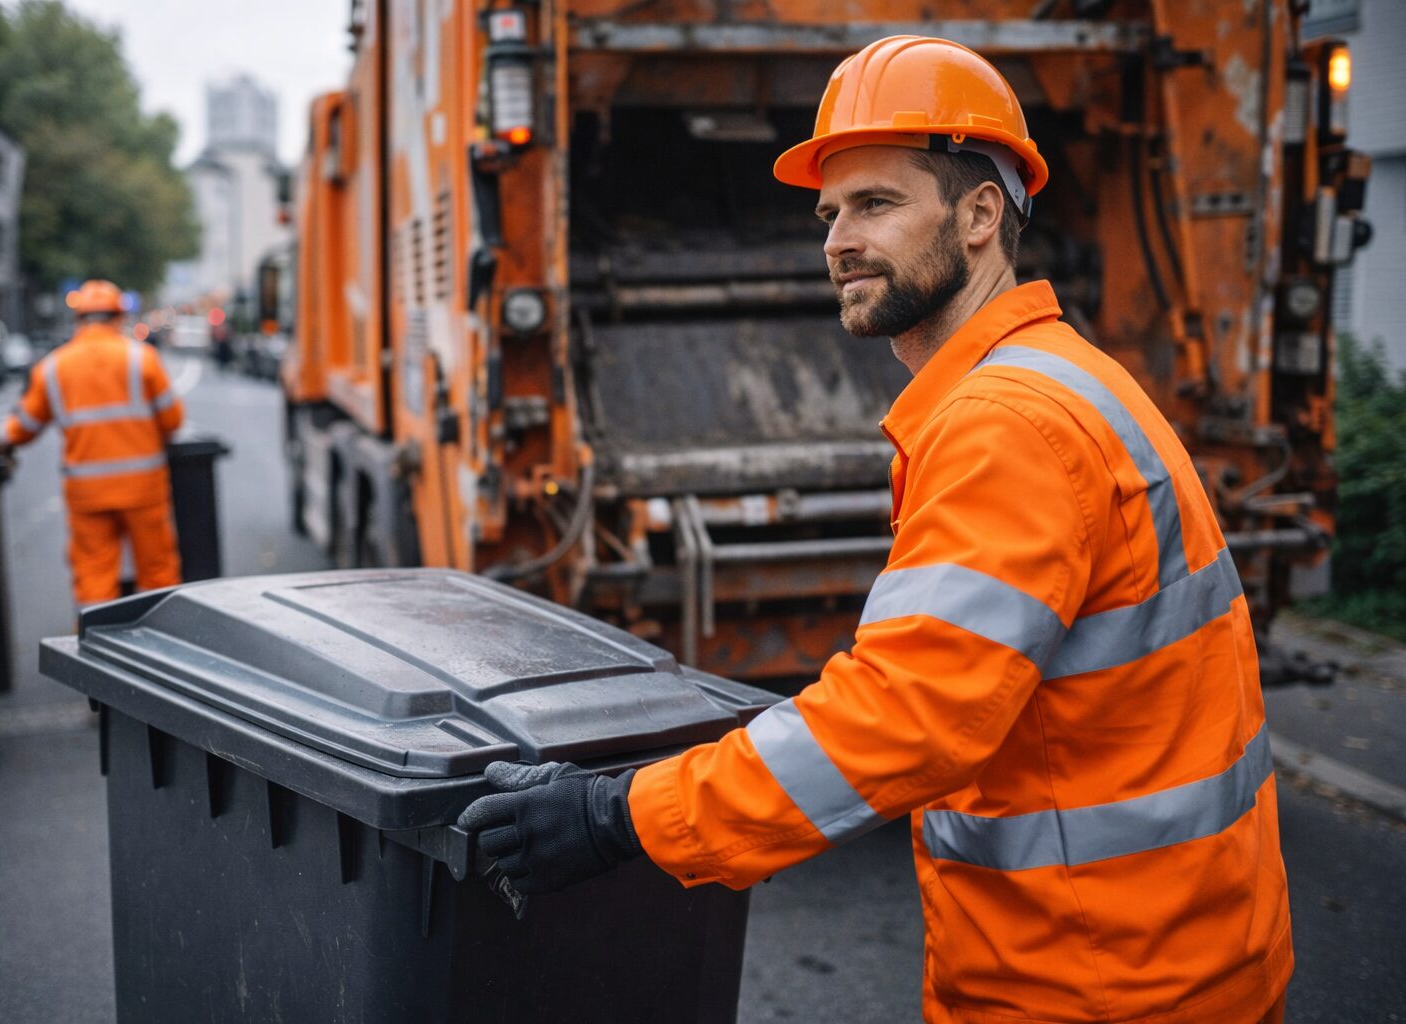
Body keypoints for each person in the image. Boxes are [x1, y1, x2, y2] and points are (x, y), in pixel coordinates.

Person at [459, 36, 1291, 1024]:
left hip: (1098, 985)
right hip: (1167, 958)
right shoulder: (1071, 378)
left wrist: (616, 816)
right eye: (828, 210)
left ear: (983, 214)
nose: (836, 239)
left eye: (876, 203)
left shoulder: (1007, 426)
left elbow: (900, 718)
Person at [0, 279, 184, 609]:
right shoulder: (141, 359)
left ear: (79, 321)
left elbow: (24, 426)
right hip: (142, 490)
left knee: (94, 577)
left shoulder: (53, 367)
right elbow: (173, 422)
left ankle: (93, 653)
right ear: (119, 317)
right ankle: (160, 648)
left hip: (87, 493)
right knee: (157, 572)